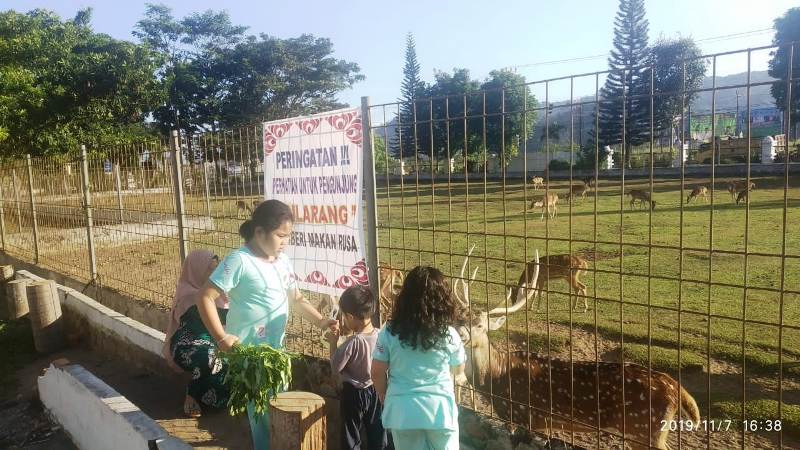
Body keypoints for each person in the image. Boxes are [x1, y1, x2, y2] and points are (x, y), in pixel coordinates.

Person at [195, 199, 338, 449]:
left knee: (275, 408)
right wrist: (221, 337)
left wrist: (321, 321)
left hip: (275, 353)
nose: (286, 242)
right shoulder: (239, 260)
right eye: (281, 235)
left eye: (288, 236)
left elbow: (296, 298)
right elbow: (205, 296)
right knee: (263, 413)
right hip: (250, 355)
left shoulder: (282, 260)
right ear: (259, 232)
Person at [370, 266, 466, 450]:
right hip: (440, 413)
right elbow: (458, 369)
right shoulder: (450, 334)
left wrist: (384, 394)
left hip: (403, 412)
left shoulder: (389, 332)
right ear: (443, 300)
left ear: (405, 297)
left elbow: (376, 372)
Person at [162, 249, 229, 418]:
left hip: (214, 340)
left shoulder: (219, 293)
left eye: (216, 268)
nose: (215, 273)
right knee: (209, 355)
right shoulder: (188, 294)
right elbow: (197, 326)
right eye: (210, 269)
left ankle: (216, 399)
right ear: (197, 269)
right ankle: (191, 395)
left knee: (232, 357)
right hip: (188, 342)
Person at [326, 285, 391, 450]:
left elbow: (335, 366)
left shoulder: (353, 342)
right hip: (375, 389)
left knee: (351, 434)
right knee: (377, 430)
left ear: (350, 316)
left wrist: (333, 342)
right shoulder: (380, 335)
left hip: (353, 394)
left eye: (344, 317)